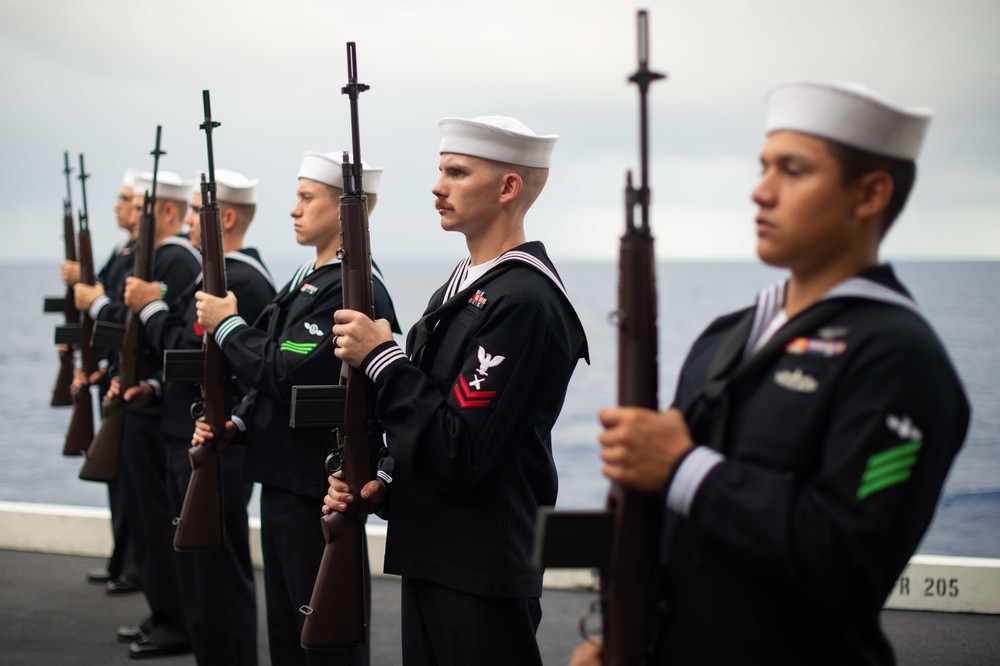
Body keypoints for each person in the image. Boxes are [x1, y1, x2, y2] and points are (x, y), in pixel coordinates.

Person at [569, 81, 971, 665]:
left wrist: (685, 468)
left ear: (870, 194)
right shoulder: (727, 336)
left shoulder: (900, 357)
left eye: (794, 171)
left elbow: (847, 557)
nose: (761, 192)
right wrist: (622, 637)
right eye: (763, 168)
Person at [326, 116, 589, 666]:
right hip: (434, 547)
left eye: (456, 172)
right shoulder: (465, 283)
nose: (437, 185)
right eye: (440, 169)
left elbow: (458, 448)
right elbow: (433, 411)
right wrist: (386, 479)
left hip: (482, 565)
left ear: (508, 187)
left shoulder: (523, 302)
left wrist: (381, 357)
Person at [193, 151, 399, 666]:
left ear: (347, 209)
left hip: (316, 489)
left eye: (307, 198)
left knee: (324, 641)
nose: (293, 210)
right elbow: (275, 374)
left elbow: (281, 370)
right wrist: (237, 420)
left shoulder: (348, 290)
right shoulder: (308, 280)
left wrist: (225, 325)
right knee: (288, 633)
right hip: (284, 478)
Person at [123, 169, 276, 665]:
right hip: (189, 435)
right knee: (196, 573)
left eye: (195, 211)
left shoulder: (242, 280)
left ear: (223, 218)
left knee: (217, 575)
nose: (188, 221)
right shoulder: (217, 276)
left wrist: (150, 311)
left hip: (219, 443)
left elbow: (186, 351)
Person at [107, 170, 202, 659]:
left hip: (163, 411)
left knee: (159, 522)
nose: (126, 212)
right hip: (145, 404)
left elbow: (177, 344)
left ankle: (174, 620)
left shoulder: (178, 263)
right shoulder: (149, 257)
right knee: (145, 519)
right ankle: (162, 612)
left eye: (137, 204)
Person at [63, 167, 142, 593]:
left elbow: (120, 318)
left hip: (125, 380)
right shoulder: (120, 250)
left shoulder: (139, 257)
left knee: (131, 483)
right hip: (111, 374)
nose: (118, 204)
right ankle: (122, 560)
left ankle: (133, 566)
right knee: (117, 476)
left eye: (125, 197)